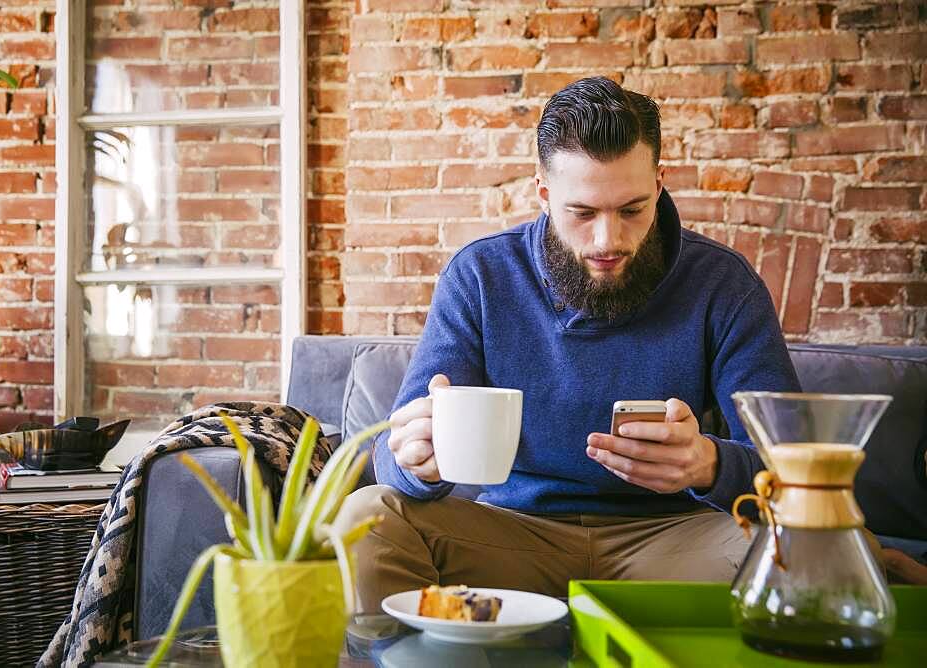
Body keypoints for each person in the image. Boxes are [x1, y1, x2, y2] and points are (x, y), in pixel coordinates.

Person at [336, 76, 802, 613]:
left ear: (660, 182)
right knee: (365, 519)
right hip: (511, 535)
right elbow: (392, 462)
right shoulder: (482, 276)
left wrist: (709, 466)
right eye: (582, 213)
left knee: (803, 547)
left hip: (675, 537)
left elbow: (791, 473)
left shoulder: (724, 284)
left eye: (632, 209)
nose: (609, 241)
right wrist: (414, 464)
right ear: (543, 193)